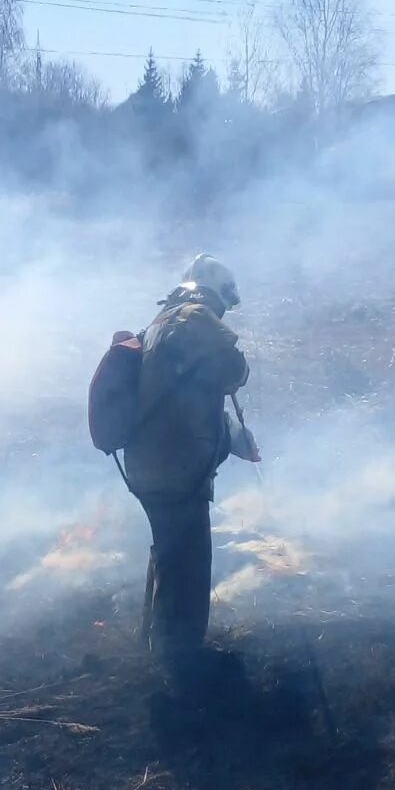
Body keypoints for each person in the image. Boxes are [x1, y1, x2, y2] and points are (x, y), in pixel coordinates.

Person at [123, 253, 258, 661]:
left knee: (168, 551)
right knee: (190, 561)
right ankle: (182, 656)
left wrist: (234, 438)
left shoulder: (160, 324)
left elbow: (190, 396)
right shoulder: (195, 318)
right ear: (214, 292)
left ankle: (154, 640)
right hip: (177, 467)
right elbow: (234, 371)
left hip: (150, 462)